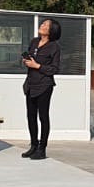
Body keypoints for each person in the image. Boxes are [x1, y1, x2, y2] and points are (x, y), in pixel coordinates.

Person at [20, 18, 62, 160]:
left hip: (44, 85)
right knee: (30, 116)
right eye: (42, 23)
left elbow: (54, 69)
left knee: (43, 116)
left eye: (45, 25)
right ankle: (33, 145)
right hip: (31, 84)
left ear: (52, 30)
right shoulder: (34, 42)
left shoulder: (54, 47)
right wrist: (27, 62)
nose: (42, 25)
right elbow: (32, 59)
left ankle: (42, 149)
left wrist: (37, 66)